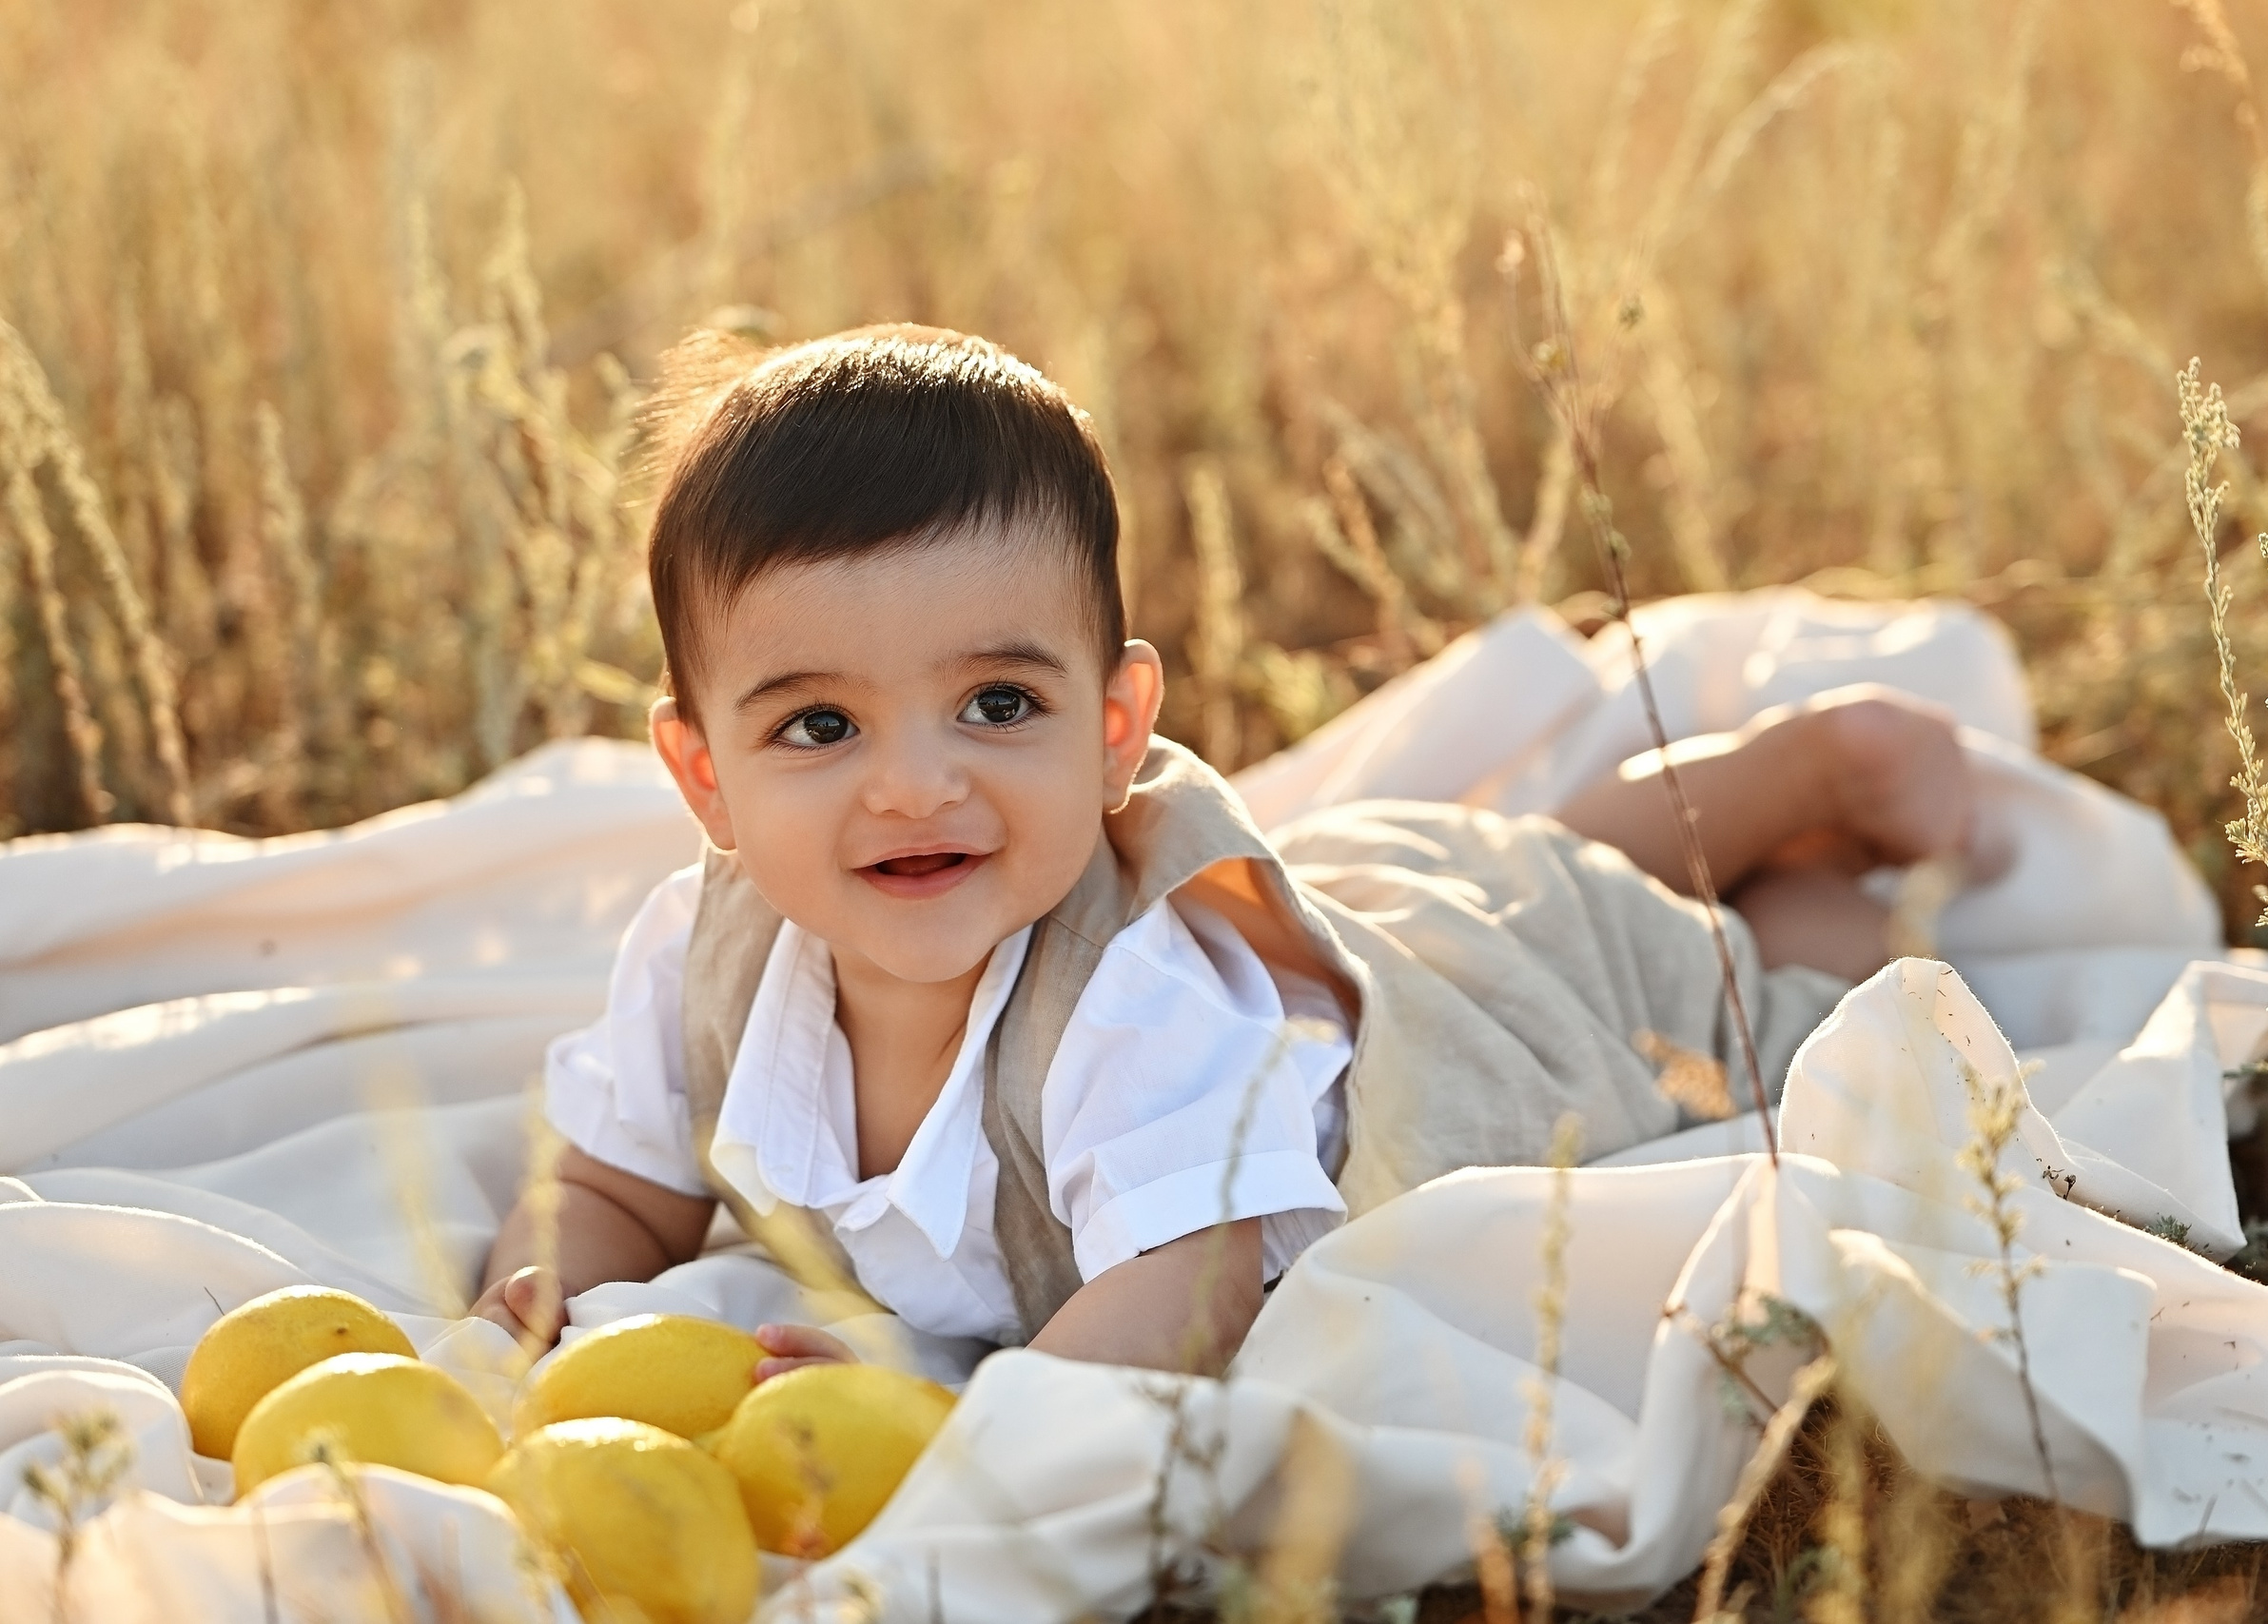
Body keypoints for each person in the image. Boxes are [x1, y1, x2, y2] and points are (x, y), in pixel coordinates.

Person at [472, 325, 1973, 1378]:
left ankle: (1814, 794)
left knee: (1685, 968)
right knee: (1462, 868)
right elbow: (616, 1193)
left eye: (999, 704)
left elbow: (1182, 1302)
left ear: (1118, 725)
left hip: (1450, 1042)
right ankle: (1769, 787)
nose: (916, 787)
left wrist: (945, 1416)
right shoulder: (702, 956)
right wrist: (528, 1311)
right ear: (702, 775)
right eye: (818, 727)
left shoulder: (1128, 1003)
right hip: (1335, 925)